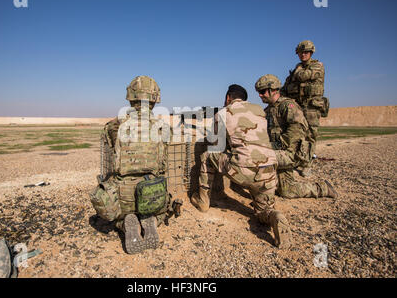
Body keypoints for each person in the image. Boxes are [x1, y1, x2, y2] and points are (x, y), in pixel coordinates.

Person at [190, 84, 292, 249]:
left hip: (245, 171)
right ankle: (275, 216)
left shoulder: (223, 113)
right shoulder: (259, 110)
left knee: (207, 156)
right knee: (261, 212)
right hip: (269, 172)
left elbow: (215, 144)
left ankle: (203, 201)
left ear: (228, 98)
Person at [90, 75, 177, 254]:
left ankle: (125, 222)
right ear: (155, 99)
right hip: (153, 191)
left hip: (124, 195)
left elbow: (109, 148)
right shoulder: (164, 128)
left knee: (114, 204)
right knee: (160, 209)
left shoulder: (115, 126)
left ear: (130, 97)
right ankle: (152, 220)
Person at [255, 74, 337, 199]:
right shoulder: (268, 110)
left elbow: (295, 134)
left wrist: (270, 146)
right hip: (280, 152)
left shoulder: (288, 106)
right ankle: (322, 188)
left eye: (262, 91)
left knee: (257, 156)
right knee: (287, 191)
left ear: (273, 90)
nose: (260, 95)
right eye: (259, 92)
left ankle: (262, 195)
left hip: (291, 153)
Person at [281, 40, 329, 177]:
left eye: (306, 52)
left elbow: (303, 76)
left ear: (311, 53)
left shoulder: (317, 66)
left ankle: (307, 164)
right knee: (296, 133)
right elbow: (287, 85)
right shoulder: (298, 68)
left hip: (312, 106)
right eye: (301, 52)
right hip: (299, 106)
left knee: (310, 135)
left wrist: (295, 75)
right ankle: (297, 159)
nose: (303, 54)